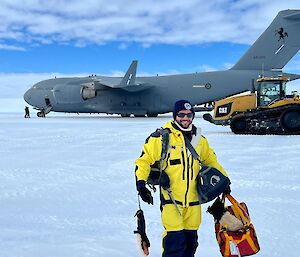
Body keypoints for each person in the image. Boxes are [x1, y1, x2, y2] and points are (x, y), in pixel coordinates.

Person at [134, 99, 229, 257]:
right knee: (174, 243)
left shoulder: (199, 139)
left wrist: (224, 181)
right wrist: (141, 184)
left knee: (191, 244)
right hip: (171, 200)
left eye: (189, 115)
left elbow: (211, 161)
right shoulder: (162, 138)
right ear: (174, 116)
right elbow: (143, 161)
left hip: (194, 202)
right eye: (181, 115)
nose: (185, 118)